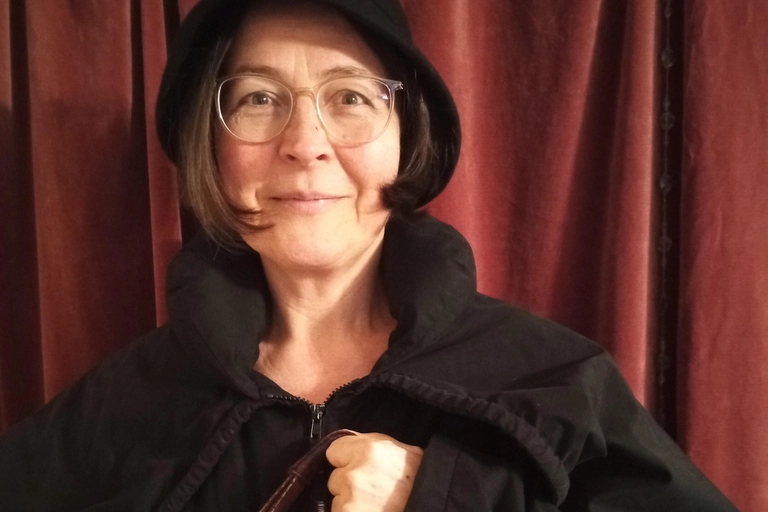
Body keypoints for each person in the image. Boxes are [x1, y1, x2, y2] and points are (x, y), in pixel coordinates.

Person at [0, 0, 739, 511]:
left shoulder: (556, 380)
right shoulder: (122, 406)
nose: (305, 143)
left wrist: (451, 499)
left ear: (406, 137)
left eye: (351, 97)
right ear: (211, 146)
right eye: (258, 99)